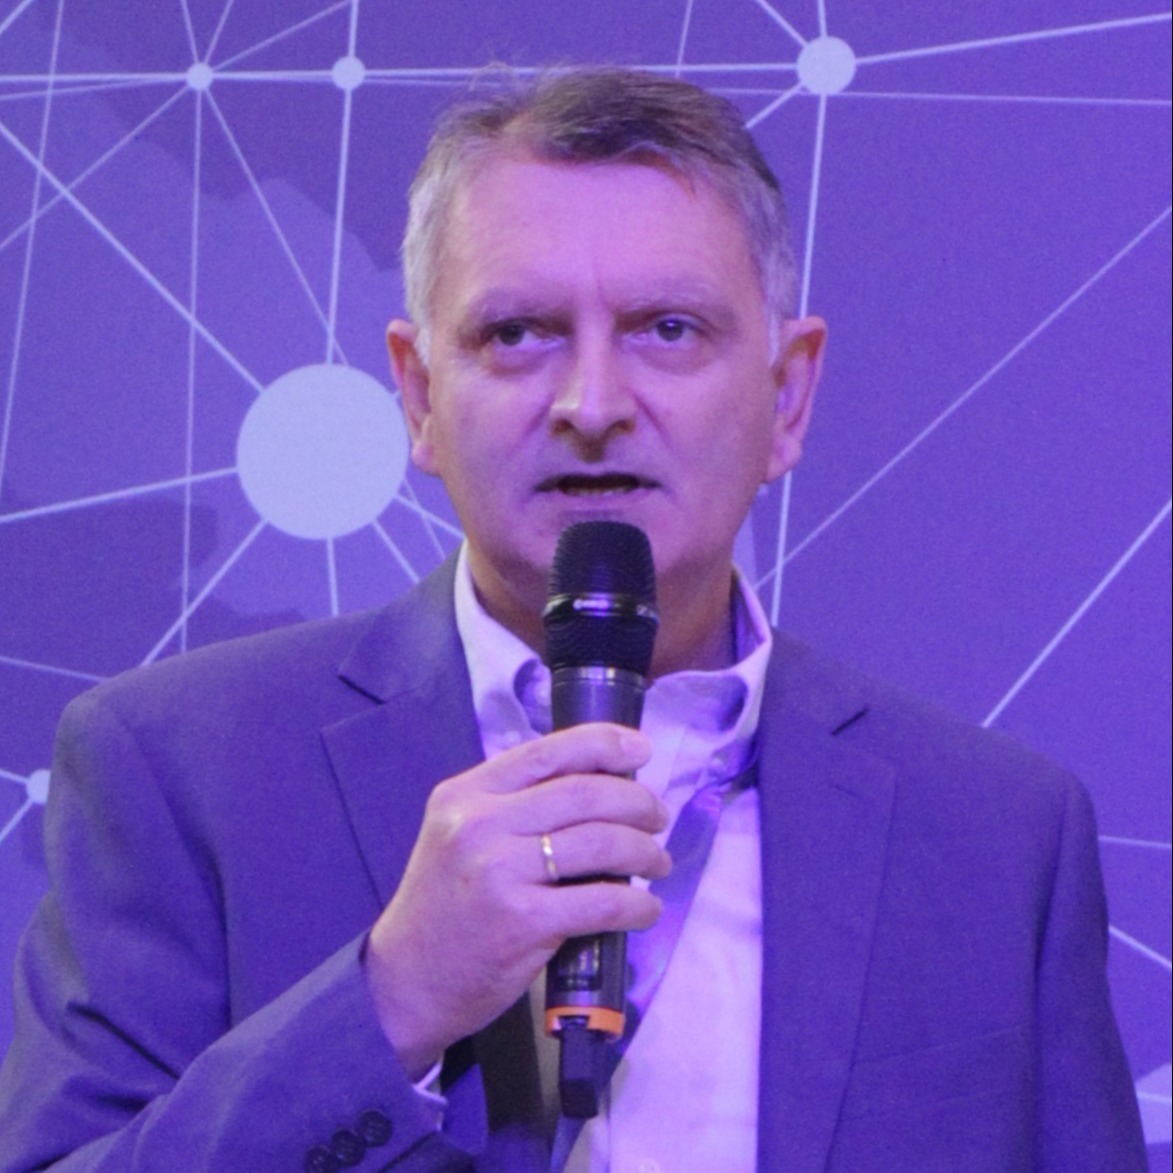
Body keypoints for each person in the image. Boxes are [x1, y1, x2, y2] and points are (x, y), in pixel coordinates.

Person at [0, 68, 1145, 1172]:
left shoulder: (997, 840)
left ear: (788, 395)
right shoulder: (180, 771)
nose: (591, 405)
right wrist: (391, 999)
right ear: (420, 395)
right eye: (518, 333)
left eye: (668, 329)